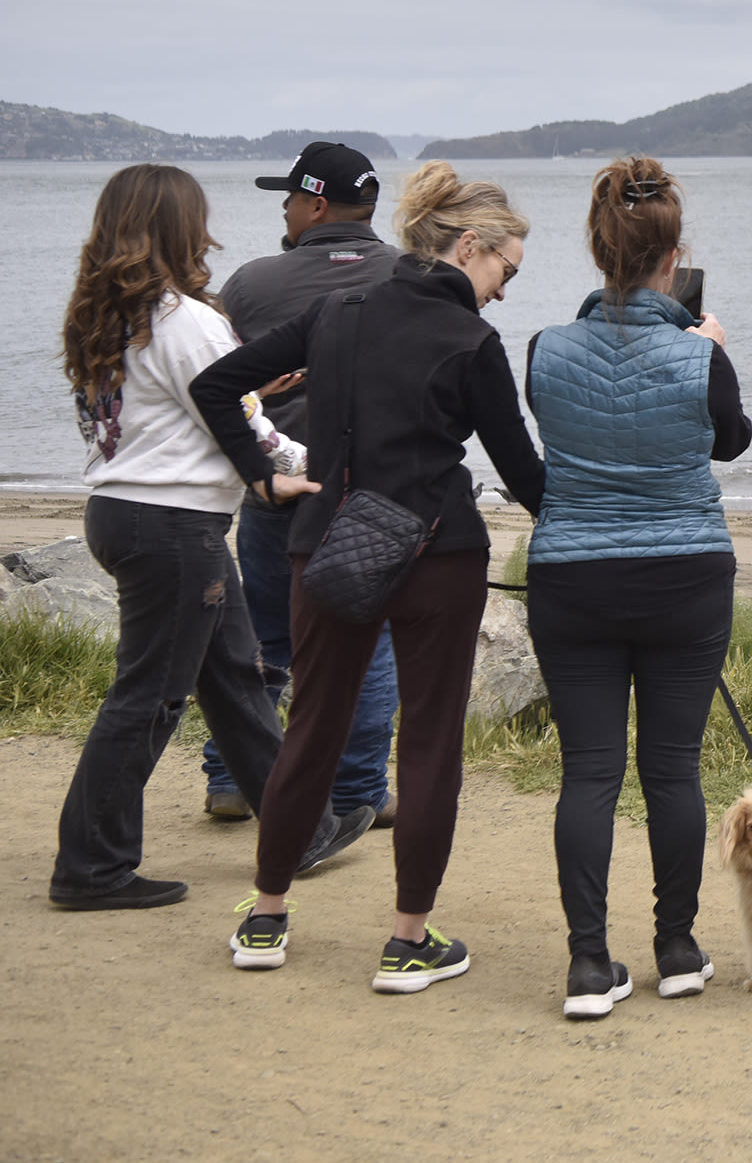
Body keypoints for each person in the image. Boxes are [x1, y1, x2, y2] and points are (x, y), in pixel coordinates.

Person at [190, 160, 544, 992]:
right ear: (469, 246)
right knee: (428, 744)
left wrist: (261, 474)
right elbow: (526, 479)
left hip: (327, 544)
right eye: (505, 270)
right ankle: (407, 940)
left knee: (311, 723)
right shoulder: (472, 341)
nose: (502, 292)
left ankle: (267, 916)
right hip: (438, 551)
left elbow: (217, 384)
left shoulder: (338, 311)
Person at [49, 166, 374, 911]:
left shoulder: (105, 320)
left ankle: (302, 828)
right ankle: (90, 865)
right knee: (150, 696)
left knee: (232, 673)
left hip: (128, 512)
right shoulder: (187, 320)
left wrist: (264, 403)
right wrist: (307, 467)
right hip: (173, 527)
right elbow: (232, 419)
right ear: (178, 227)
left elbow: (167, 415)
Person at [523, 156, 752, 1019]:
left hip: (572, 574)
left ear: (597, 249)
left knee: (587, 773)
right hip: (685, 573)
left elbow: (560, 429)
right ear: (673, 256)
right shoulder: (701, 357)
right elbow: (730, 441)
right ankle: (678, 946)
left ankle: (589, 964)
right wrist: (711, 354)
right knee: (671, 770)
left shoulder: (545, 349)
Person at [197, 141, 403, 829]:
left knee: (261, 636)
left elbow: (224, 387)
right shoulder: (411, 276)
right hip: (374, 491)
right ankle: (356, 792)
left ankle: (232, 777)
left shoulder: (252, 284)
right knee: (368, 639)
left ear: (315, 204)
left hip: (280, 481)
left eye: (287, 197)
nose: (283, 209)